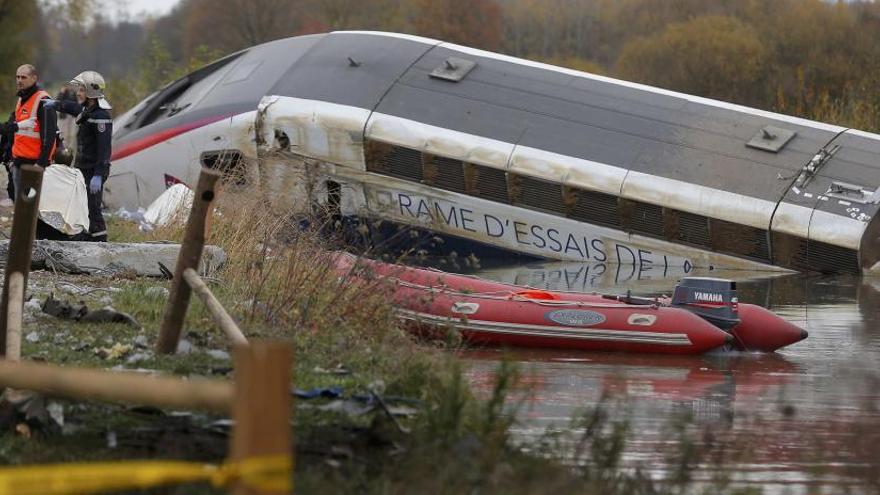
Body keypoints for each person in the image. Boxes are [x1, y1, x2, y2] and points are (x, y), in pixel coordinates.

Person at [43, 71, 111, 241]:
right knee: (83, 207)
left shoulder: (101, 117)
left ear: (90, 93)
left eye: (81, 90)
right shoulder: (88, 111)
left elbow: (104, 149)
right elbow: (73, 108)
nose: (78, 94)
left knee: (93, 208)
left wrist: (98, 174)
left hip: (93, 170)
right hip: (83, 169)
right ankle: (88, 242)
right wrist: (55, 104)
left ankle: (101, 244)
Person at [0, 64, 58, 200]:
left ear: (34, 78)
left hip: (34, 165)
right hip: (18, 162)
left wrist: (41, 163)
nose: (19, 80)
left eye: (23, 77)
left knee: (33, 208)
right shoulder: (21, 99)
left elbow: (49, 137)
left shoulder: (44, 101)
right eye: (17, 77)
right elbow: (12, 130)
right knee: (19, 205)